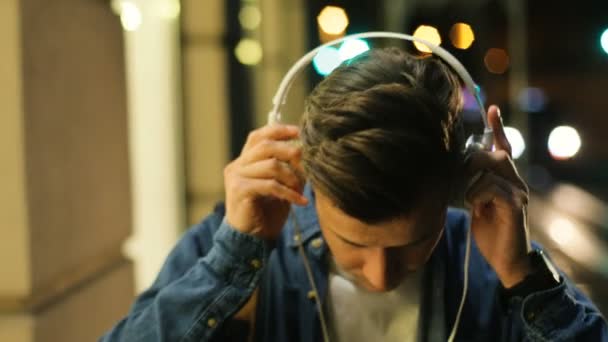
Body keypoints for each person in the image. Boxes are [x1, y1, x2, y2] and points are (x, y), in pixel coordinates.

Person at [101, 48, 607, 341]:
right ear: (308, 179)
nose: (381, 273)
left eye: (411, 243)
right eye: (355, 244)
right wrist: (232, 255)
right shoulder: (243, 243)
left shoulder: (492, 260)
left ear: (457, 184)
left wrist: (524, 279)